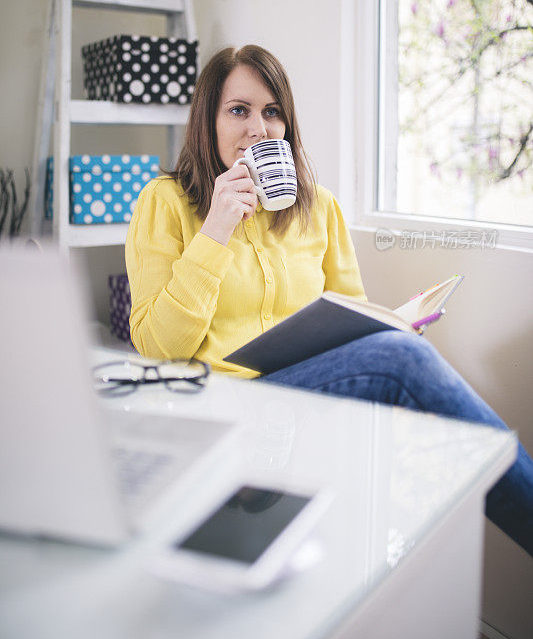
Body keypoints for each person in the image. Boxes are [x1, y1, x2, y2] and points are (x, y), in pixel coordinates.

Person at [125, 44, 533, 556]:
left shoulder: (320, 209)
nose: (259, 128)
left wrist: (389, 328)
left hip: (304, 395)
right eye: (239, 110)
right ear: (207, 123)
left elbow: (349, 317)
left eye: (273, 112)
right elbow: (158, 348)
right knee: (403, 365)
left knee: (399, 357)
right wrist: (217, 229)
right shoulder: (164, 202)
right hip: (220, 401)